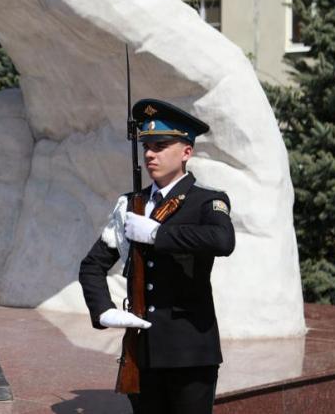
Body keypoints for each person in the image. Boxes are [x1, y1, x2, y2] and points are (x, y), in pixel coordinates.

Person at [78, 98, 235, 414]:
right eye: (146, 145)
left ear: (186, 152)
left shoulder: (206, 201)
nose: (150, 153)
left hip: (190, 353)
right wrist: (104, 310)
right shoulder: (130, 205)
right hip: (143, 353)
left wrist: (156, 234)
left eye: (161, 145)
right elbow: (91, 266)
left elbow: (223, 240)